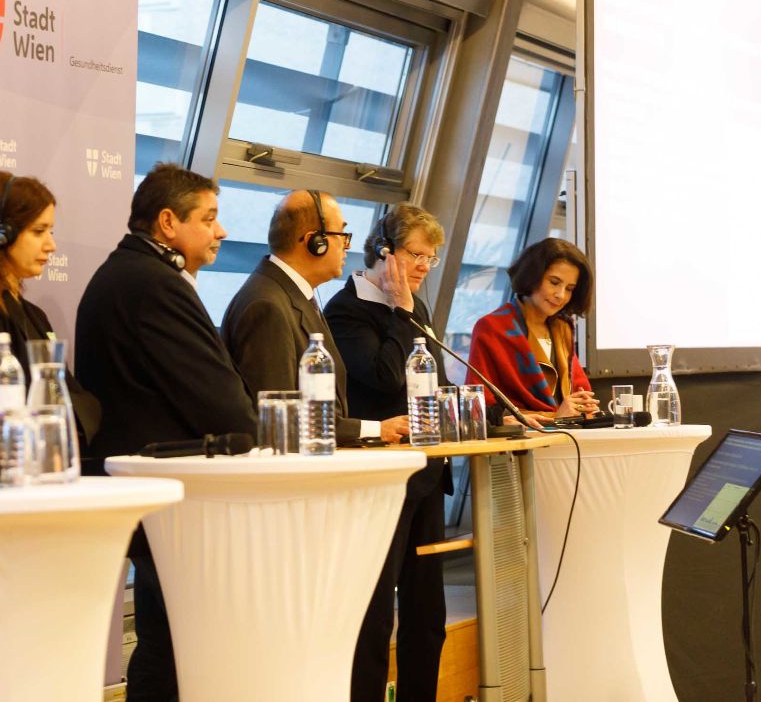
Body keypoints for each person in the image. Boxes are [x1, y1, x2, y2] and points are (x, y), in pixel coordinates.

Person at [77, 162, 255, 702]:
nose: (221, 231)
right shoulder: (154, 284)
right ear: (168, 223)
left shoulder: (130, 274)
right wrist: (248, 428)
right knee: (174, 649)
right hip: (166, 497)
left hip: (150, 493)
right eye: (209, 218)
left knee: (169, 641)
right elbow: (221, 403)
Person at [323, 203, 451, 702]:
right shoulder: (346, 309)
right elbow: (383, 376)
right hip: (380, 478)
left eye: (430, 258)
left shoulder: (415, 306)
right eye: (416, 255)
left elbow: (433, 379)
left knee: (428, 615)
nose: (423, 267)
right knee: (376, 616)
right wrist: (400, 312)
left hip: (426, 474)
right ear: (383, 251)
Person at [0, 170, 101, 452]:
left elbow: (82, 400)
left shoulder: (34, 314)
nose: (51, 246)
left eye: (50, 232)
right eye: (38, 231)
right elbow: (8, 399)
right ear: (0, 234)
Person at [221, 189, 382, 444]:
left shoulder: (291, 296)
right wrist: (375, 430)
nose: (347, 246)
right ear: (315, 242)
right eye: (342, 235)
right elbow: (280, 421)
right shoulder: (267, 305)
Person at [467, 237, 599, 422]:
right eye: (554, 282)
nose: (561, 295)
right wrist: (557, 417)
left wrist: (583, 406)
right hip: (520, 437)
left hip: (567, 434)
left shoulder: (563, 328)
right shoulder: (493, 328)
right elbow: (479, 409)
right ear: (532, 277)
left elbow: (579, 392)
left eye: (569, 288)